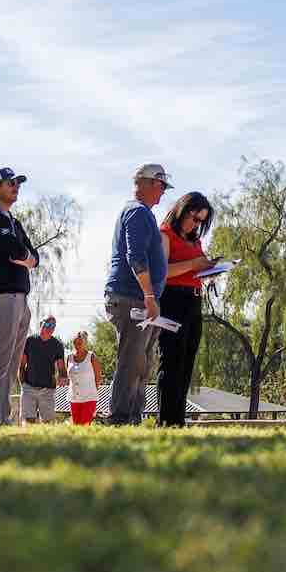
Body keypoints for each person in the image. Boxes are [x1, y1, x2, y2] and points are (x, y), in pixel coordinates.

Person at [104, 164, 171, 426]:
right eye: (161, 185)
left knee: (141, 363)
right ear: (146, 183)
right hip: (133, 297)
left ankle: (131, 417)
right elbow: (136, 257)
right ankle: (119, 417)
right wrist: (150, 296)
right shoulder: (138, 212)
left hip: (138, 297)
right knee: (132, 361)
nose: (163, 192)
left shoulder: (141, 213)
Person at [0, 166, 40, 428]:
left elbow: (33, 256)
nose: (15, 186)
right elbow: (15, 251)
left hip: (20, 297)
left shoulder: (13, 221)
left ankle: (1, 417)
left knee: (11, 364)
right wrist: (27, 258)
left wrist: (28, 258)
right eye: (9, 182)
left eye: (17, 183)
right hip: (0, 296)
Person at [157, 192, 216, 428]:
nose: (197, 224)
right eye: (195, 218)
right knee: (172, 360)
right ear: (182, 210)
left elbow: (198, 268)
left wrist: (211, 270)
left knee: (187, 362)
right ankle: (166, 420)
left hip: (194, 300)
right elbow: (162, 272)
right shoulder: (165, 234)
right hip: (172, 299)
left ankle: (178, 419)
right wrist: (193, 265)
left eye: (202, 222)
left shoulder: (195, 240)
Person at [20, 316, 67, 423]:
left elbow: (61, 367)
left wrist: (63, 376)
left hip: (48, 390)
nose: (50, 328)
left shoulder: (57, 345)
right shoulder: (30, 341)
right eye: (47, 325)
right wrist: (23, 385)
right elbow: (22, 365)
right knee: (28, 421)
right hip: (29, 387)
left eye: (53, 326)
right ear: (41, 324)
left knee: (48, 422)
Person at [66, 331, 102, 426]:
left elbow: (98, 377)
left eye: (79, 343)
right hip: (74, 398)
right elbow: (68, 377)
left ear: (85, 343)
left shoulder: (92, 357)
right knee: (76, 426)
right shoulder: (69, 357)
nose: (76, 345)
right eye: (75, 343)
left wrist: (93, 391)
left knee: (85, 425)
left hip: (89, 398)